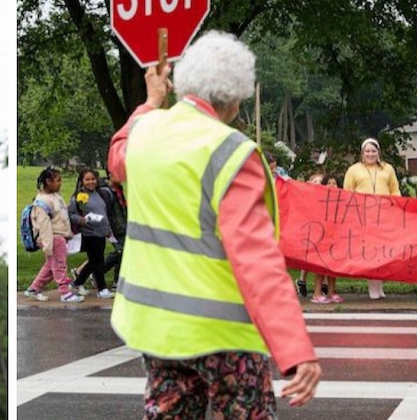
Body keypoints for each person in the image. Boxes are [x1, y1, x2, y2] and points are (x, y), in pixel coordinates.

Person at [108, 31, 321, 418]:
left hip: (158, 332)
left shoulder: (145, 133)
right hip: (225, 337)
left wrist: (151, 101)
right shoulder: (231, 152)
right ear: (237, 96)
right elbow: (258, 263)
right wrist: (295, 350)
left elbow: (117, 155)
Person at [343, 137, 401, 300]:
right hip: (364, 217)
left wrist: (397, 207)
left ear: (378, 152)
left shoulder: (387, 169)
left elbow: (395, 190)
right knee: (370, 252)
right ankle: (372, 285)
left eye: (373, 151)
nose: (370, 154)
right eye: (367, 151)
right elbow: (347, 192)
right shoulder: (354, 170)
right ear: (362, 153)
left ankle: (379, 285)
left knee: (383, 251)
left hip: (384, 216)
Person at [24, 167, 85, 303]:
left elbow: (61, 216)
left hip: (59, 237)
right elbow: (44, 227)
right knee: (59, 266)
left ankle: (34, 288)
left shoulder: (55, 196)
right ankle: (65, 292)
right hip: (53, 238)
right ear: (48, 181)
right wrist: (47, 246)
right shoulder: (42, 202)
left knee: (51, 266)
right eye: (57, 180)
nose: (60, 183)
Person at [70, 174, 127, 291]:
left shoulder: (109, 191)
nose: (91, 182)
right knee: (103, 258)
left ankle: (79, 279)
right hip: (95, 230)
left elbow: (109, 211)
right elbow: (74, 213)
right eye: (87, 179)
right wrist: (84, 220)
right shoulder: (101, 192)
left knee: (97, 259)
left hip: (109, 228)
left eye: (93, 179)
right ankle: (103, 286)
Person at [309, 175, 344, 304]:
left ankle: (331, 292)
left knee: (333, 266)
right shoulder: (320, 199)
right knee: (321, 266)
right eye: (328, 183)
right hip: (322, 237)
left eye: (334, 183)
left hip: (335, 236)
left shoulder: (342, 200)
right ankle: (317, 293)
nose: (331, 185)